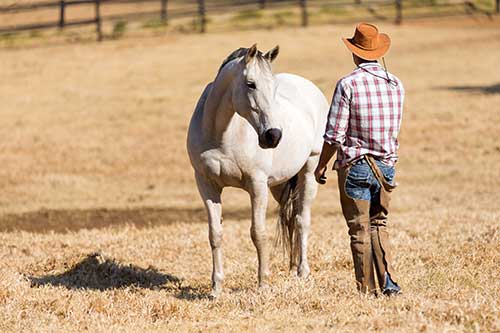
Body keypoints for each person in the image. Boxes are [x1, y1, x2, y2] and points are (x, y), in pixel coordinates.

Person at [314, 23, 404, 296]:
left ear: (354, 53)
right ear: (379, 52)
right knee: (379, 224)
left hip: (355, 167)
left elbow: (334, 134)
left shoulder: (348, 84)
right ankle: (387, 281)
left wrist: (321, 164)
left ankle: (366, 289)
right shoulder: (396, 83)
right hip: (386, 167)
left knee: (359, 228)